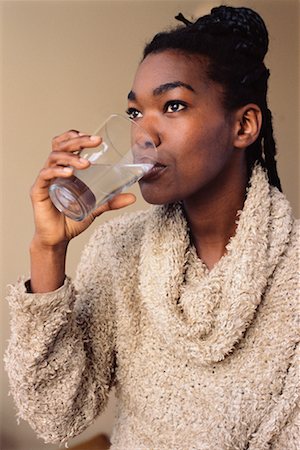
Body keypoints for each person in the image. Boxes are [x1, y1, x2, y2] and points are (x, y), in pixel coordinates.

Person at [4, 5, 299, 450]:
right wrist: (48, 250)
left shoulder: (292, 272)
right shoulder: (119, 248)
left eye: (173, 105)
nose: (144, 133)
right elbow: (56, 415)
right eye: (135, 112)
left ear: (244, 125)